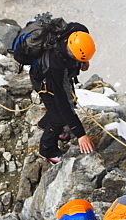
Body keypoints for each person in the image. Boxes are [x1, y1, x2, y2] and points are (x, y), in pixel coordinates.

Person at [32, 25, 96, 165]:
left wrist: (84, 60)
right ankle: (47, 151)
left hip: (53, 75)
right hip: (43, 80)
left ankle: (44, 124)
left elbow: (83, 31)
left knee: (59, 108)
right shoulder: (55, 66)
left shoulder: (77, 31)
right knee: (58, 117)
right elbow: (63, 103)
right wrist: (80, 134)